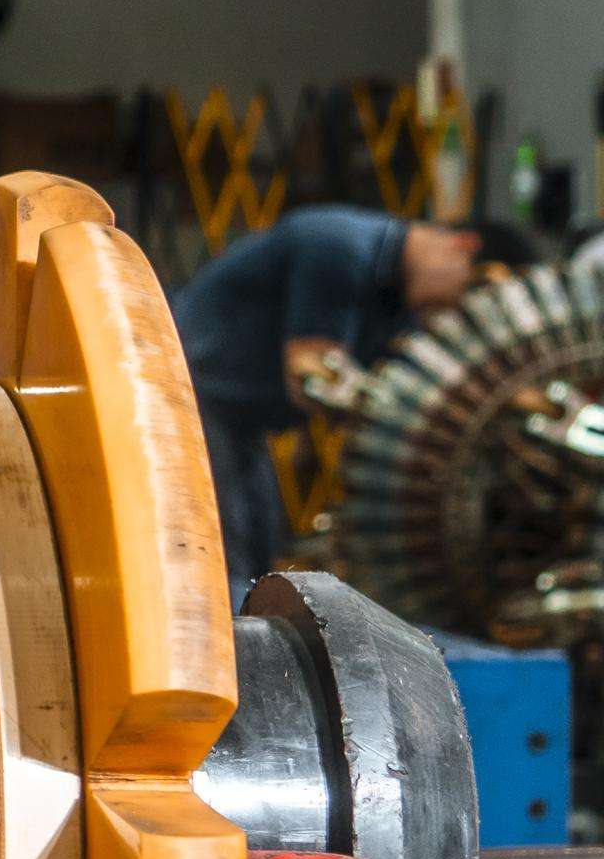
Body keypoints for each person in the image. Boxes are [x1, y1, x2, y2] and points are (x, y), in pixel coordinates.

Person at [172, 205, 535, 583]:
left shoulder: (398, 301)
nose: (455, 312)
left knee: (258, 563)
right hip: (188, 404)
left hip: (240, 424)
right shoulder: (341, 246)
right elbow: (315, 379)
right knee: (219, 570)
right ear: (463, 246)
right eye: (468, 292)